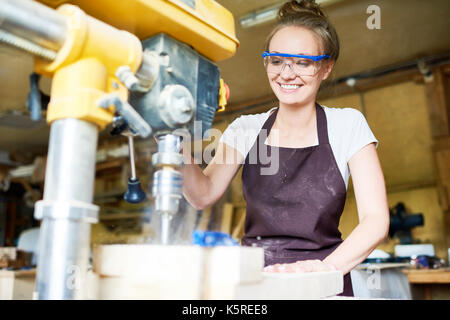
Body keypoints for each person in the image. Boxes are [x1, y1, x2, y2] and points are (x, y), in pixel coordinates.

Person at [181, 0, 389, 296]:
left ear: (326, 67)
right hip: (257, 285)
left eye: (303, 62)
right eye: (276, 60)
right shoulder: (246, 129)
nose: (287, 73)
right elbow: (201, 194)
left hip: (325, 283)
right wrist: (168, 136)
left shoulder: (348, 126)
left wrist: (323, 269)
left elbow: (376, 220)